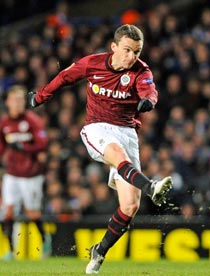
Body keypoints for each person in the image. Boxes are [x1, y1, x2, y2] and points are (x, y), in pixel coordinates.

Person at [27, 24, 173, 274]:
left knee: (130, 206)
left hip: (127, 132)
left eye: (137, 52)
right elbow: (64, 77)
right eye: (127, 50)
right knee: (117, 155)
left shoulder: (141, 70)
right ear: (113, 47)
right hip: (97, 127)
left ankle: (100, 251)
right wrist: (40, 97)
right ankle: (150, 186)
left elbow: (150, 89)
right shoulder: (92, 63)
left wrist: (148, 101)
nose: (132, 57)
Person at [0, 85, 51, 260]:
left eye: (20, 100)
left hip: (31, 175)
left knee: (32, 213)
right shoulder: (4, 123)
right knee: (8, 212)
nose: (17, 103)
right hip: (11, 174)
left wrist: (24, 146)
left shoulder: (32, 120)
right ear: (8, 102)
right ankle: (10, 251)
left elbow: (43, 143)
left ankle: (45, 240)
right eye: (14, 100)